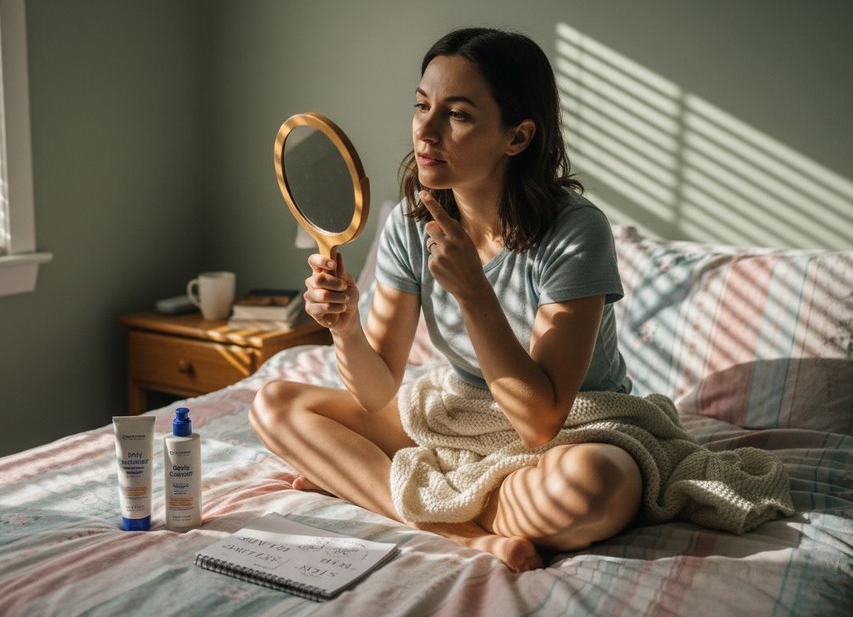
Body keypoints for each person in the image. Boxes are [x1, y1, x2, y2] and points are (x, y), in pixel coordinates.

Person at [250, 27, 642, 573]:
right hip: (462, 417)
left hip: (573, 426)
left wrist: (473, 290)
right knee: (274, 405)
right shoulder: (409, 223)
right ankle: (457, 530)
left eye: (457, 114)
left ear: (517, 137)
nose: (425, 131)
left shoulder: (576, 231)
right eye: (421, 106)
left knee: (594, 488)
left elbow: (541, 421)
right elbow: (376, 391)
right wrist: (344, 327)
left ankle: (371, 483)